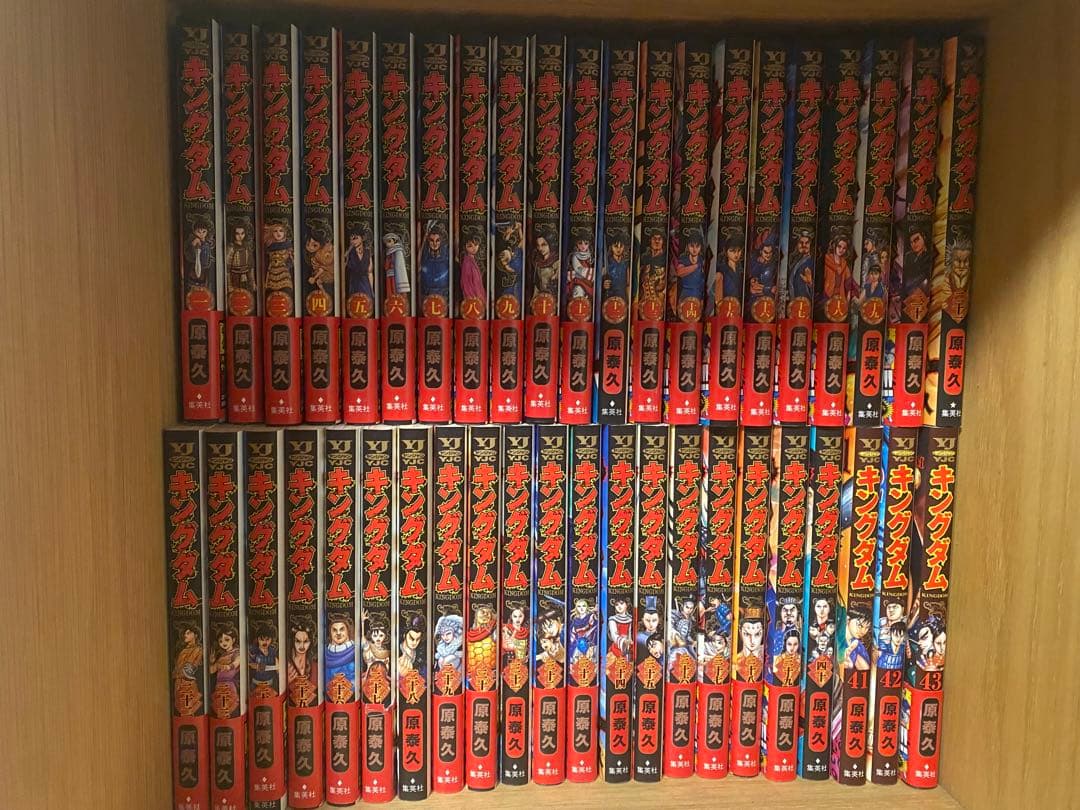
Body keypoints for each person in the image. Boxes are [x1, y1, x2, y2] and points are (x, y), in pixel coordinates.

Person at [671, 229, 705, 319]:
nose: (694, 249)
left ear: (701, 247)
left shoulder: (702, 260)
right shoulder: (684, 259)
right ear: (688, 246)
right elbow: (679, 272)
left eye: (697, 246)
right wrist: (696, 266)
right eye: (692, 246)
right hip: (685, 294)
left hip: (698, 295)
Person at [287, 622, 318, 705]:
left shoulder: (315, 666)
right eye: (298, 641)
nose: (302, 646)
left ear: (311, 642)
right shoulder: (287, 665)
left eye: (306, 641)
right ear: (292, 642)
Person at [419, 222, 450, 302]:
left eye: (437, 240)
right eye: (432, 241)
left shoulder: (446, 257)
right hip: (426, 293)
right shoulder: (425, 256)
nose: (435, 244)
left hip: (443, 293)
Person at [324, 614, 356, 689]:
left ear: (348, 631)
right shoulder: (326, 653)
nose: (338, 633)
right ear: (330, 633)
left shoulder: (355, 650)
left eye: (342, 629)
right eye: (334, 630)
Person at [344, 228, 374, 308]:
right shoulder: (349, 253)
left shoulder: (367, 252)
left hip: (365, 282)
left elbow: (370, 272)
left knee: (367, 304)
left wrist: (371, 289)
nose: (353, 241)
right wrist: (348, 251)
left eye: (355, 238)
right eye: (351, 239)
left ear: (362, 238)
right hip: (354, 282)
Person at [225, 220, 255, 296]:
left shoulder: (247, 247)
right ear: (233, 234)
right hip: (234, 276)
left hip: (246, 275)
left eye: (242, 233)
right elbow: (227, 267)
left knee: (247, 295)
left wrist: (253, 282)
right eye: (237, 234)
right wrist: (229, 285)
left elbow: (251, 266)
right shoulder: (231, 248)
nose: (240, 236)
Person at [209, 624, 241, 696]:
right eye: (220, 641)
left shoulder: (236, 652)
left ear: (233, 640)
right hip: (219, 684)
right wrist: (212, 662)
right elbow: (211, 671)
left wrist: (228, 667)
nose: (224, 643)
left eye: (227, 640)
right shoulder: (221, 655)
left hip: (229, 684)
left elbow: (237, 662)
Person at [173, 623, 203, 695]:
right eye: (185, 633)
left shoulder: (198, 649)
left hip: (188, 683)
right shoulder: (183, 650)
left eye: (188, 633)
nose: (185, 635)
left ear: (195, 635)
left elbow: (191, 665)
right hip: (178, 682)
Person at [458, 230, 486, 307]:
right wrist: (473, 300)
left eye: (476, 245)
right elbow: (466, 285)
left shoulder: (473, 260)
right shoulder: (467, 263)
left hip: (479, 298)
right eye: (470, 246)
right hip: (473, 301)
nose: (474, 248)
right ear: (465, 247)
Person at [788, 228, 815, 303]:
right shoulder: (795, 260)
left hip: (805, 303)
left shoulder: (812, 262)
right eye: (801, 242)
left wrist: (810, 283)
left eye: (807, 243)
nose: (804, 245)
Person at [248, 624, 279, 689]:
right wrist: (259, 666)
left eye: (267, 639)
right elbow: (250, 664)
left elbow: (278, 667)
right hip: (255, 685)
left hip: (270, 685)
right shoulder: (253, 651)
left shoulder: (273, 651)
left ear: (271, 639)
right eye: (261, 639)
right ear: (257, 639)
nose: (264, 642)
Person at [567, 598, 598, 664]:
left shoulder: (591, 616)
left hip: (590, 643)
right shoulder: (575, 620)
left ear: (587, 607)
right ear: (576, 608)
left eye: (583, 606)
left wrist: (596, 612)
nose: (581, 608)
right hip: (578, 644)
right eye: (579, 606)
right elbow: (572, 633)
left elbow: (596, 622)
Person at [185, 219, 214, 286]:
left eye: (204, 232)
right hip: (195, 267)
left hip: (206, 268)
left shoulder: (207, 243)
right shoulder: (194, 242)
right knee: (195, 283)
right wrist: (193, 245)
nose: (201, 234)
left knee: (204, 284)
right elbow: (190, 254)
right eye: (198, 232)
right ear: (194, 231)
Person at [736, 612, 764, 680]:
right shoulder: (736, 660)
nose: (752, 641)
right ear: (740, 632)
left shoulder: (767, 660)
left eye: (757, 634)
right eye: (747, 634)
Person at [602, 232, 629, 300]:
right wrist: (604, 284)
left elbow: (628, 283)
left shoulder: (626, 263)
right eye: (616, 246)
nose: (618, 249)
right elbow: (601, 279)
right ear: (611, 247)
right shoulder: (607, 262)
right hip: (610, 295)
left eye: (621, 246)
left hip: (622, 295)